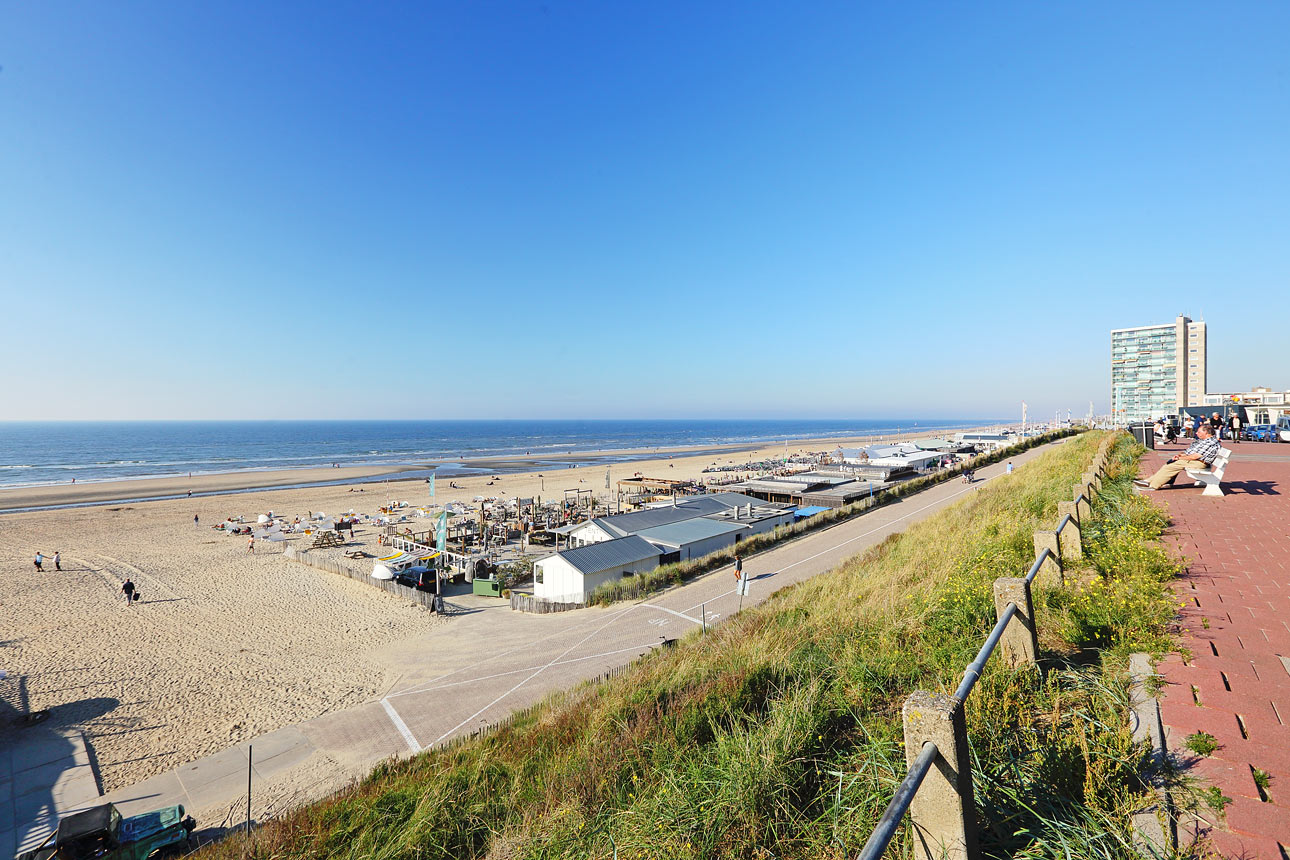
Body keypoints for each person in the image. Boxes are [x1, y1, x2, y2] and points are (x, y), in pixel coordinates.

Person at [1135, 424, 1221, 491]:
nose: (1196, 433)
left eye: (1199, 432)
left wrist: (1180, 458)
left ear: (1206, 433)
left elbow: (1195, 456)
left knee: (1172, 466)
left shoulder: (1210, 442)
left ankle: (1153, 486)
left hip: (1200, 463)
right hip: (1197, 461)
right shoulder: (1206, 441)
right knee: (1171, 463)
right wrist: (1181, 455)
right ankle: (1149, 481)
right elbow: (1193, 453)